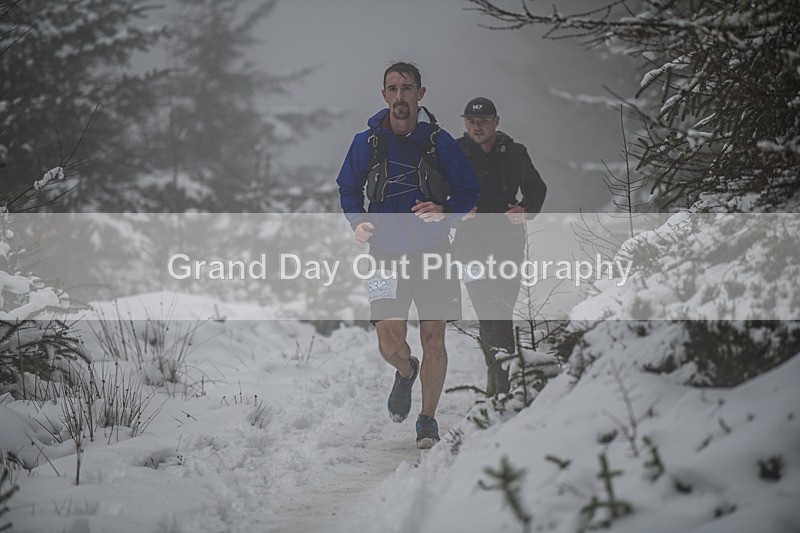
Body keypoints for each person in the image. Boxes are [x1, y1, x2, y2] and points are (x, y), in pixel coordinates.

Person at [336, 62, 479, 449]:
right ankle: (405, 372)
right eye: (393, 89)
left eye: (407, 88)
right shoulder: (365, 143)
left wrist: (445, 210)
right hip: (384, 256)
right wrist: (357, 222)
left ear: (420, 93)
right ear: (384, 95)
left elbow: (469, 191)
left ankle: (427, 419)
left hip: (434, 254)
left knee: (434, 338)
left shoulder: (439, 142)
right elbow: (348, 187)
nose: (400, 96)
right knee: (388, 340)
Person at [453, 97, 547, 395]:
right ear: (465, 123)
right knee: (485, 311)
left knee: (502, 310)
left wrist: (526, 209)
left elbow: (537, 188)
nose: (477, 127)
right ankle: (499, 382)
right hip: (469, 243)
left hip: (507, 242)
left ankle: (501, 385)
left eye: (483, 121)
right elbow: (435, 189)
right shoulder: (454, 152)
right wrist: (457, 210)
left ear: (496, 121)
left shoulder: (514, 152)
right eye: (471, 121)